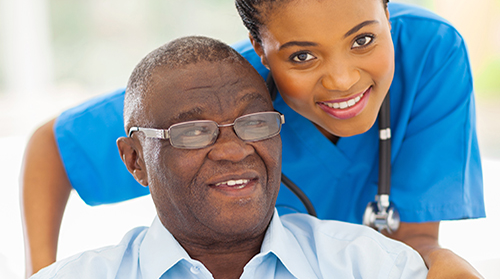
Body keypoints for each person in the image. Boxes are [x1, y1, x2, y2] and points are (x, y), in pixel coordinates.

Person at [21, 0, 485, 278]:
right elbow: (54, 147)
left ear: (387, 15)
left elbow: (415, 241)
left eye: (364, 39)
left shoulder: (429, 53)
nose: (342, 79)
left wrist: (440, 266)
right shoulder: (216, 95)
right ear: (260, 51)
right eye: (302, 56)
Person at [31, 36, 428, 279]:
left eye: (254, 123)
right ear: (135, 160)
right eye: (193, 132)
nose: (235, 149)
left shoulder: (374, 268)